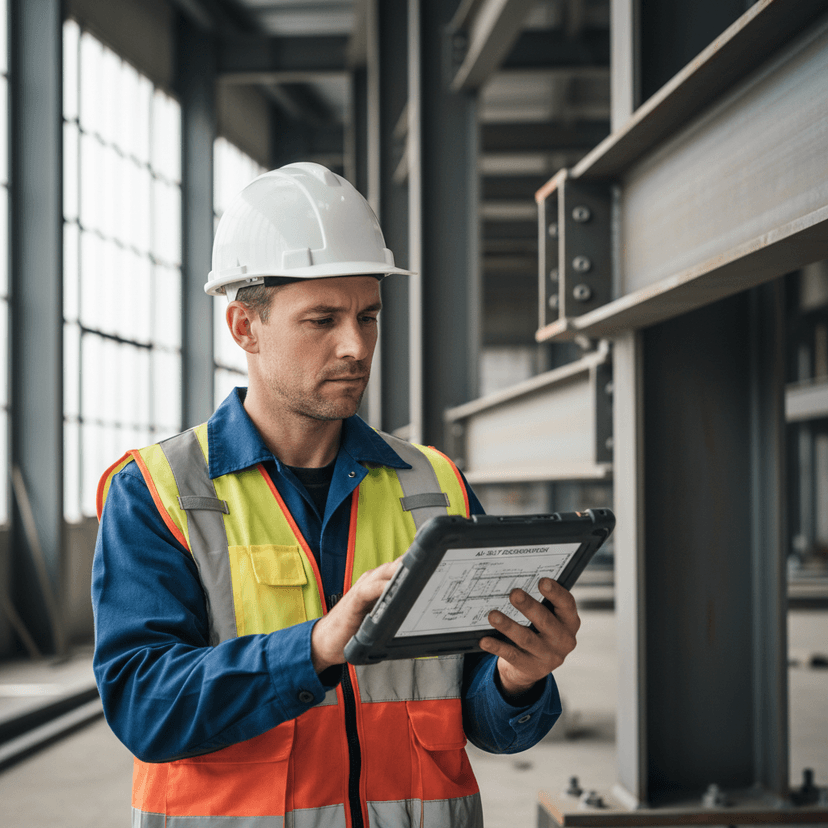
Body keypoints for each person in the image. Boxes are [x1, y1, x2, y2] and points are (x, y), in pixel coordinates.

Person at [93, 162, 581, 828]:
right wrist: (316, 646)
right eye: (321, 320)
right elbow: (144, 706)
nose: (356, 346)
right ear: (244, 327)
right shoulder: (158, 492)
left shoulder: (435, 486)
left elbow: (487, 722)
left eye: (368, 316)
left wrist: (520, 677)